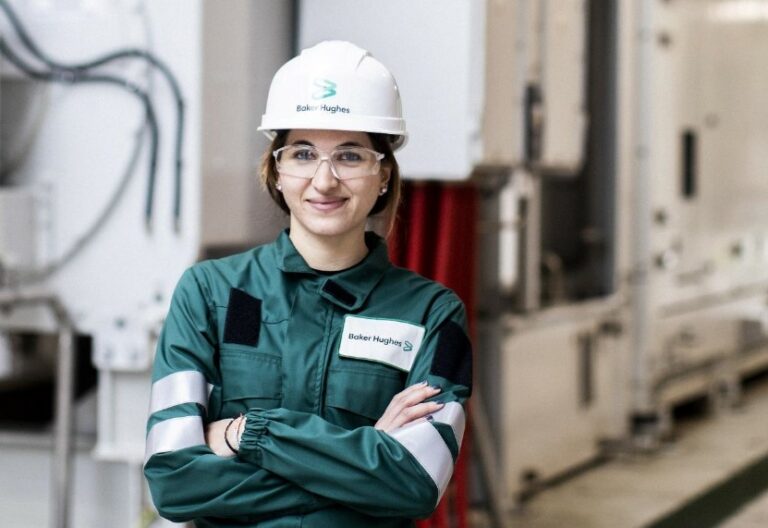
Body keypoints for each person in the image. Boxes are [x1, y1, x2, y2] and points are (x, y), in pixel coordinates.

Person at [143, 40, 472, 528]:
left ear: (383, 175)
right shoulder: (210, 293)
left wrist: (248, 434)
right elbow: (174, 482)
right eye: (302, 153)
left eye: (350, 156)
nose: (324, 180)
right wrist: (367, 463)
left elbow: (415, 484)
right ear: (276, 170)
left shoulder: (431, 314)